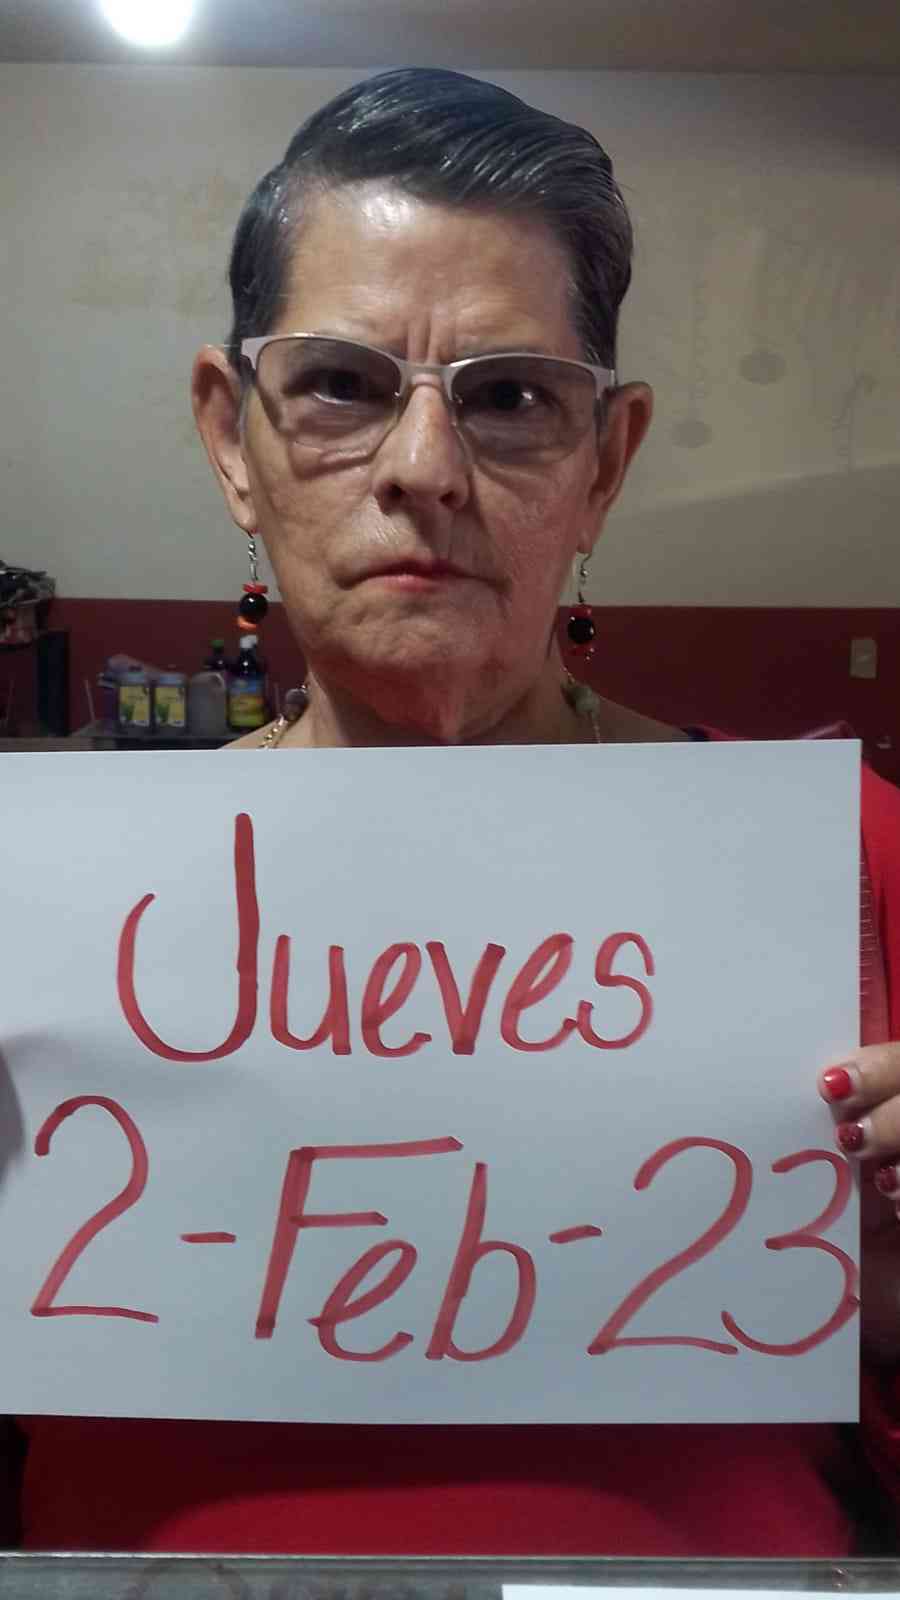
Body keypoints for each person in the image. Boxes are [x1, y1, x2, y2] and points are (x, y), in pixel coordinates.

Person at [17, 66, 900, 1557]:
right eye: (342, 385)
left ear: (605, 462)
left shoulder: (854, 865)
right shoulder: (46, 909)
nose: (424, 470)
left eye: (509, 398)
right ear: (232, 439)